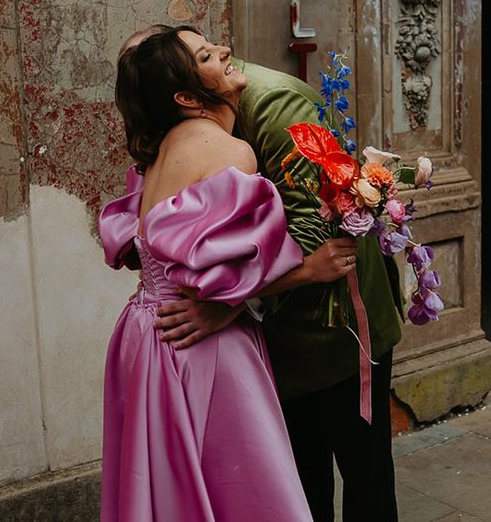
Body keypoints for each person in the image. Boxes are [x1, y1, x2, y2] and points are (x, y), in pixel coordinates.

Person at [125, 26, 403, 522]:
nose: (227, 51)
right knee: (290, 482)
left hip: (331, 331)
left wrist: (225, 303)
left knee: (365, 478)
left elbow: (319, 228)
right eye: (206, 52)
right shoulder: (179, 130)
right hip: (263, 340)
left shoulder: (274, 107)